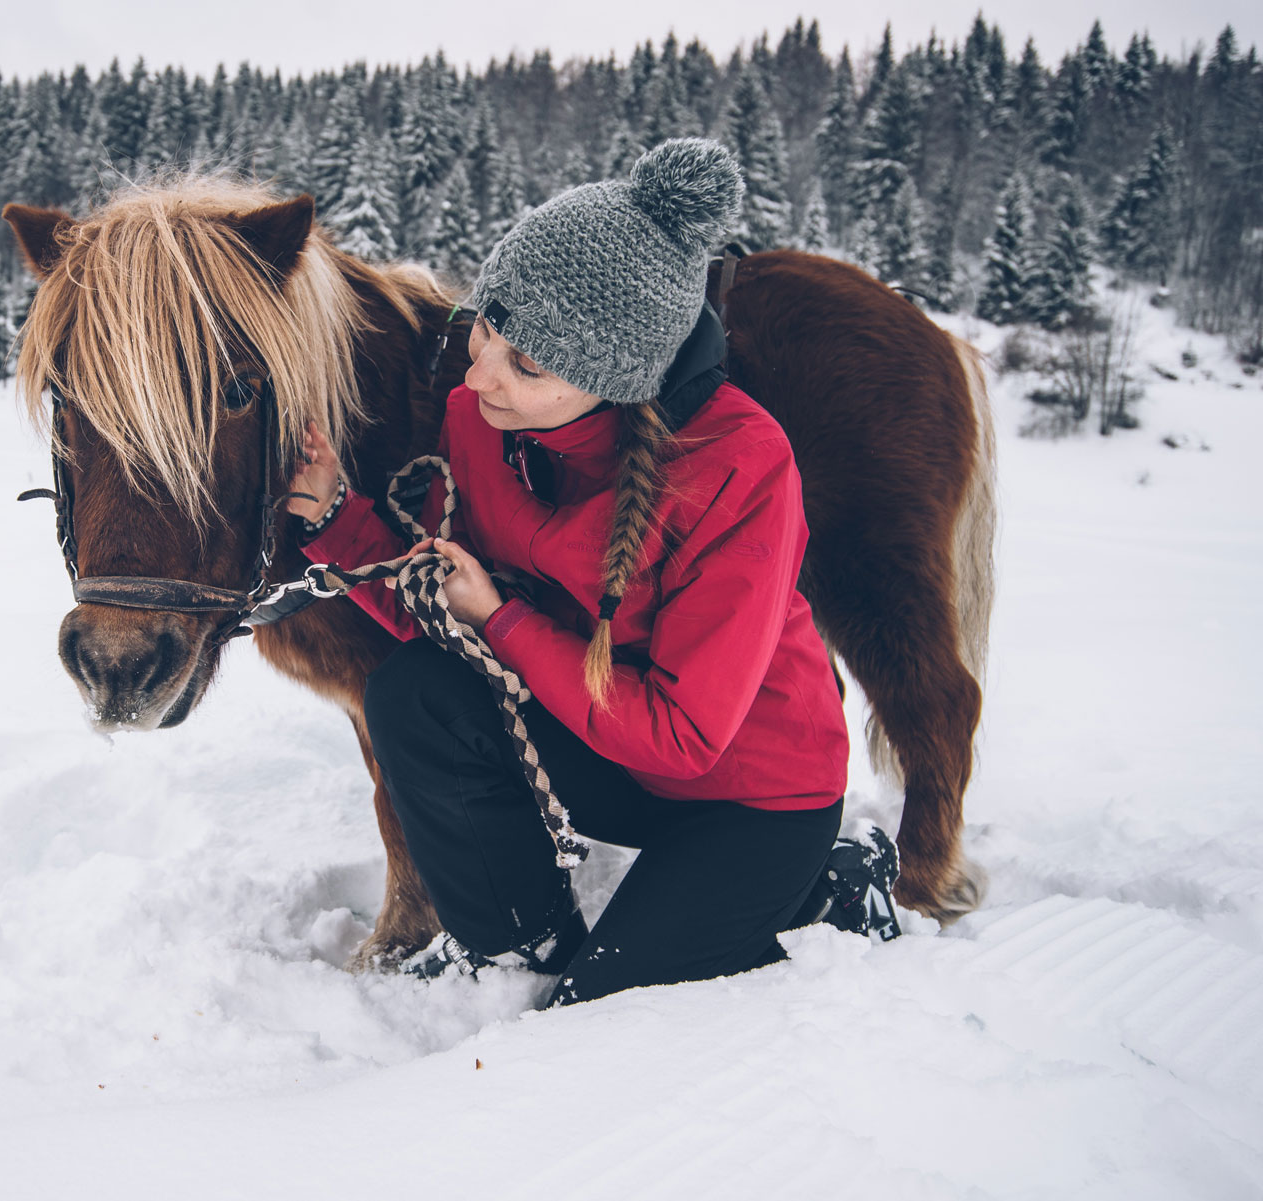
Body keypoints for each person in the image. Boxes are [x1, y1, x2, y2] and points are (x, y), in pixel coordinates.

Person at [288, 138, 898, 1008]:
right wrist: (333, 523)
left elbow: (685, 736)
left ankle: (836, 879)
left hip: (750, 796)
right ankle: (514, 942)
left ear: (615, 379)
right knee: (416, 690)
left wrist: (502, 620)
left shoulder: (741, 467)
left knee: (600, 1017)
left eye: (527, 363)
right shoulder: (481, 418)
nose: (480, 368)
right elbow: (441, 601)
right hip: (608, 756)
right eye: (489, 323)